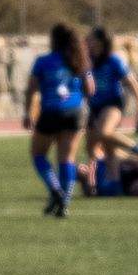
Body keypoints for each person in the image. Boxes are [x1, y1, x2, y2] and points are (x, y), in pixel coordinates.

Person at [25, 23, 91, 217]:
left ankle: (55, 189)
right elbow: (91, 88)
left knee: (38, 154)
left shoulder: (43, 61)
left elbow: (32, 88)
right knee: (67, 159)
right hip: (75, 112)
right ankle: (65, 201)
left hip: (51, 111)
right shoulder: (79, 61)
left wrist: (28, 112)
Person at [82, 27, 138, 188]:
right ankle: (112, 182)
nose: (87, 42)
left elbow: (133, 84)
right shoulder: (87, 61)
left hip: (112, 104)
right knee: (94, 147)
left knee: (105, 132)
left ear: (100, 42)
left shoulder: (113, 60)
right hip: (94, 108)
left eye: (90, 39)